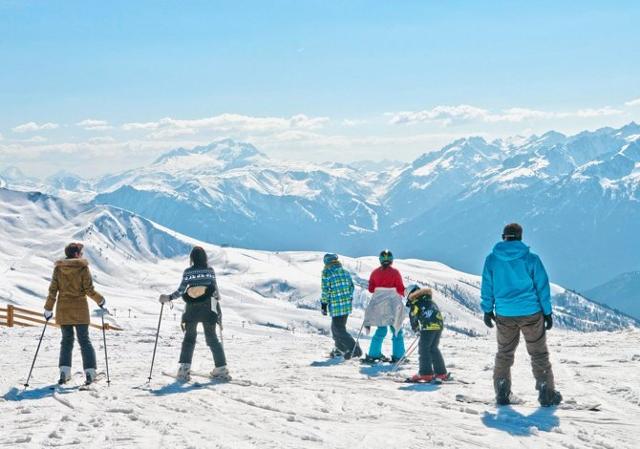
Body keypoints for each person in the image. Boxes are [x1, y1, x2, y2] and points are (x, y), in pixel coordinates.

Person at [481, 223, 562, 407]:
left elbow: (487, 286)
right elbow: (542, 287)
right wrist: (547, 313)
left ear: (504, 236)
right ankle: (546, 392)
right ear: (520, 237)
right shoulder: (531, 259)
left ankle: (502, 391)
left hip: (504, 313)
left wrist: (487, 309)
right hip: (531, 312)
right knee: (538, 354)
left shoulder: (492, 260)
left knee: (504, 353)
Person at [159, 246, 228, 382]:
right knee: (212, 338)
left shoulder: (188, 272)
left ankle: (184, 370)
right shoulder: (210, 271)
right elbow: (215, 291)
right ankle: (221, 369)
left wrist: (168, 298)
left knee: (189, 339)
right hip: (209, 309)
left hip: (192, 309)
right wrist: (218, 310)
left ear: (192, 258)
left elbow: (181, 290)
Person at [44, 242, 106, 385]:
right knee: (84, 340)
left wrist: (48, 308)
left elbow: (53, 290)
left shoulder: (58, 269)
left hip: (63, 310)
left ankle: (64, 373)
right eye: (81, 252)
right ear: (77, 254)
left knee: (66, 340)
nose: (82, 255)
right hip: (80, 310)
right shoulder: (82, 268)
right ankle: (90, 373)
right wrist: (100, 300)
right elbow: (89, 289)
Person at [362, 249, 406, 364]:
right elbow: (400, 288)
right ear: (391, 260)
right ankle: (399, 356)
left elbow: (371, 289)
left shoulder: (375, 272)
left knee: (381, 329)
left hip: (378, 304)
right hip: (392, 304)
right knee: (396, 330)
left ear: (380, 260)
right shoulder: (395, 272)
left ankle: (373, 354)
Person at [320, 253, 362, 359]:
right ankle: (340, 349)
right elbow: (351, 288)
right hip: (346, 306)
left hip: (336, 306)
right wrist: (348, 298)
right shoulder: (345, 272)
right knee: (336, 329)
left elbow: (326, 290)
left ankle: (355, 350)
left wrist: (324, 304)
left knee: (338, 329)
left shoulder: (327, 273)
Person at [404, 285, 448, 383]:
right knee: (433, 348)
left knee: (423, 349)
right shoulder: (429, 300)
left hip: (428, 327)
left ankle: (425, 373)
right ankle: (441, 373)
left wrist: (416, 329)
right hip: (438, 325)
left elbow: (413, 316)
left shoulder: (416, 302)